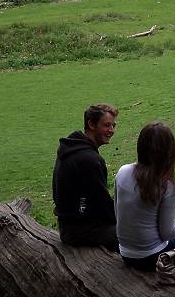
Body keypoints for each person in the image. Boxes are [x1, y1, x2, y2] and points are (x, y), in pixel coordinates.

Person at [115, 121, 175, 271]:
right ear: (170, 152)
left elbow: (119, 213)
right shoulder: (167, 186)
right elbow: (167, 233)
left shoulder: (122, 172)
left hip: (125, 252)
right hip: (151, 258)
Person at [52, 103, 119, 249]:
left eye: (113, 126)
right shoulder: (89, 160)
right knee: (137, 236)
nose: (111, 130)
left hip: (68, 226)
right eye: (107, 125)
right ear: (91, 124)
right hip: (80, 231)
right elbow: (101, 203)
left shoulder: (70, 148)